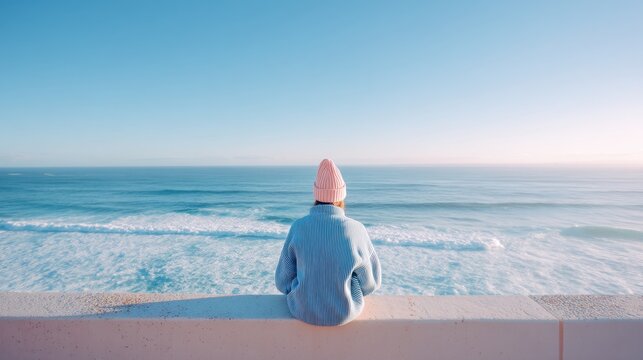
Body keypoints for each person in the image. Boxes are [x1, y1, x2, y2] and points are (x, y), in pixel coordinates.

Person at [275, 158, 381, 326]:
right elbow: (371, 283)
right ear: (341, 196)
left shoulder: (298, 227)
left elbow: (282, 281)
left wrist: (306, 289)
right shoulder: (356, 229)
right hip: (345, 313)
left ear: (316, 195)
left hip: (301, 311)